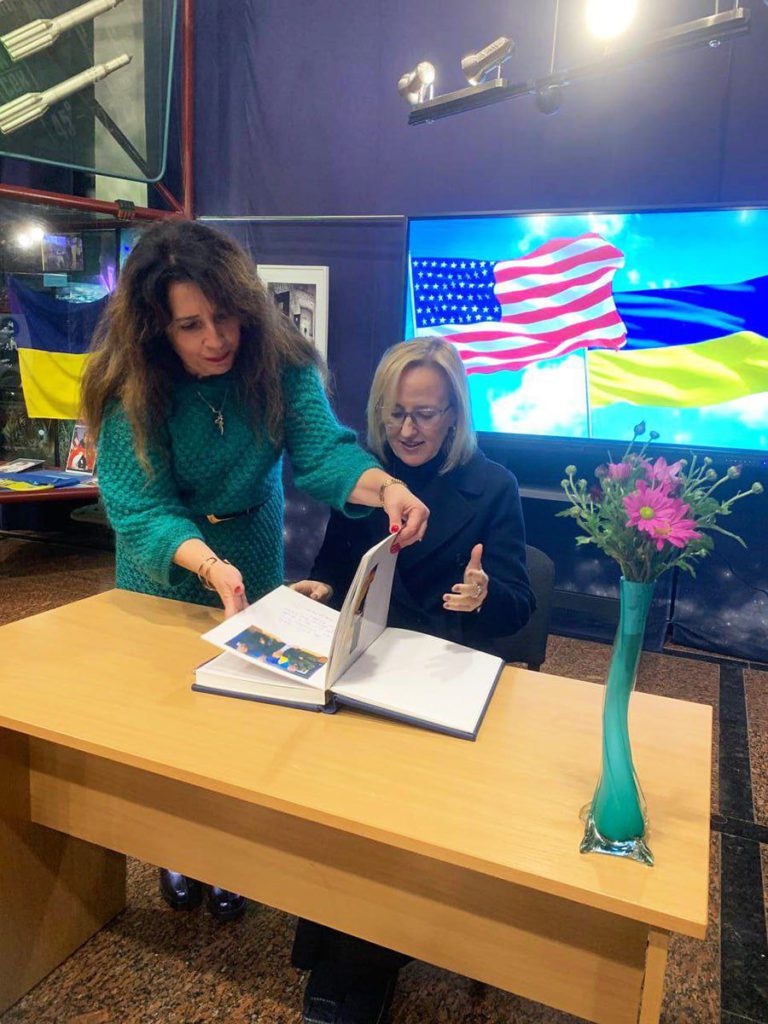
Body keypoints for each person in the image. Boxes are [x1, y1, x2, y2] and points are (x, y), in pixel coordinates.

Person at [80, 219, 429, 924]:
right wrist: (209, 567)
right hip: (164, 567)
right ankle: (177, 848)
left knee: (241, 716)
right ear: (155, 328)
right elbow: (140, 508)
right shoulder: (131, 386)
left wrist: (387, 486)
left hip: (252, 548)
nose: (217, 338)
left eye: (226, 316)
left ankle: (227, 854)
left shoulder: (280, 361)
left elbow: (323, 453)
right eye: (191, 325)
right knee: (170, 715)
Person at [291, 336, 535, 1024]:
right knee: (334, 802)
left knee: (394, 815)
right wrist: (318, 589)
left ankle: (362, 967)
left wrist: (484, 595)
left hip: (439, 679)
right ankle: (333, 943)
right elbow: (334, 568)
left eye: (425, 414)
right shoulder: (366, 480)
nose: (407, 430)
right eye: (395, 413)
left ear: (454, 415)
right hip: (363, 669)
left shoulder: (493, 486)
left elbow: (519, 604)